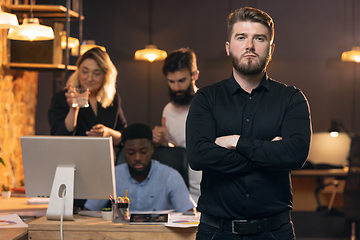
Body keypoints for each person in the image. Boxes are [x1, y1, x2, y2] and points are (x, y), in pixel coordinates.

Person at [186, 7, 312, 240]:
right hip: (216, 232)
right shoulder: (206, 98)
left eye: (259, 38)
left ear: (271, 49)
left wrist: (236, 142)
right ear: (228, 47)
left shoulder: (292, 98)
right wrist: (269, 154)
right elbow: (198, 156)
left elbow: (295, 154)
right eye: (241, 37)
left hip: (274, 232)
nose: (250, 46)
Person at [85, 123, 196, 212]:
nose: (137, 158)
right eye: (131, 152)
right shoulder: (112, 176)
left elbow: (189, 213)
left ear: (152, 149)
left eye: (143, 152)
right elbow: (88, 211)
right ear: (124, 151)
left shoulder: (170, 176)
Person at [48, 47, 127, 146]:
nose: (89, 78)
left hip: (104, 158)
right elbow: (59, 138)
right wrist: (73, 110)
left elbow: (125, 138)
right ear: (78, 71)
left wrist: (108, 133)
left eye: (96, 74)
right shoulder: (61, 99)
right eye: (85, 72)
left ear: (105, 75)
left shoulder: (113, 99)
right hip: (74, 157)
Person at [152, 48, 202, 203]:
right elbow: (175, 149)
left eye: (182, 81)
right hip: (179, 192)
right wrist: (162, 142)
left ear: (195, 75)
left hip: (207, 190)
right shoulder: (168, 110)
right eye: (171, 82)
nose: (176, 88)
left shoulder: (208, 106)